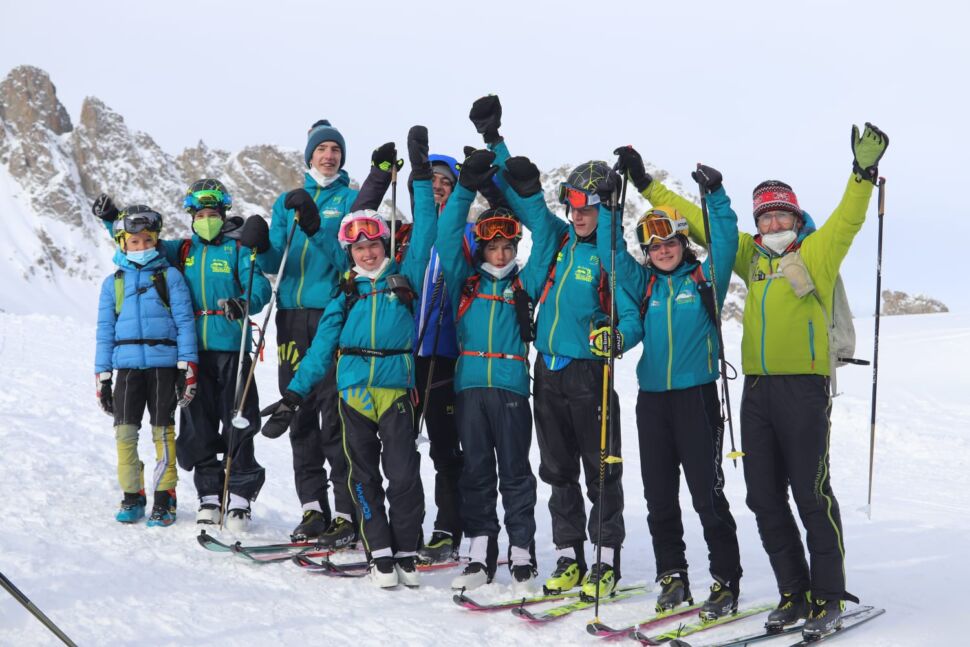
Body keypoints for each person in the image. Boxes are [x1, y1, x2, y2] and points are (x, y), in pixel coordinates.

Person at [635, 124, 889, 639]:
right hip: (757, 391)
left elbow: (848, 220)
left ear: (796, 218)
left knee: (811, 494)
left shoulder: (816, 253)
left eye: (782, 214)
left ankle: (828, 594)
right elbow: (705, 226)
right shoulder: (751, 259)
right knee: (763, 497)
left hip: (804, 388)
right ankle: (793, 591)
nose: (774, 222)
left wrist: (862, 175)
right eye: (766, 216)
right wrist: (647, 187)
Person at [468, 95, 640, 601]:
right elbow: (524, 198)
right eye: (576, 204)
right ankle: (568, 554)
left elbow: (632, 314)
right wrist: (494, 142)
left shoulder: (612, 255)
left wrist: (618, 338)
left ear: (605, 207)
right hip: (547, 372)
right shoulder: (559, 240)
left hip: (591, 376)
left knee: (601, 469)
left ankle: (605, 559)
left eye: (591, 205)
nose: (580, 214)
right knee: (557, 470)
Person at [261, 127, 437, 589]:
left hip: (396, 389)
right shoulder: (345, 291)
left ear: (385, 246)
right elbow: (321, 349)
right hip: (354, 392)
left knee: (403, 476)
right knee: (364, 475)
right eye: (358, 247)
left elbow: (429, 231)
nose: (367, 251)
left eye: (374, 244)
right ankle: (379, 550)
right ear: (351, 252)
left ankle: (406, 549)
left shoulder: (405, 279)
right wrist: (294, 395)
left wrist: (419, 173)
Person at [597, 151, 742, 619]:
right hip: (652, 402)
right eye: (653, 245)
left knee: (706, 495)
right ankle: (673, 577)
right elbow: (610, 253)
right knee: (659, 496)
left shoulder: (704, 280)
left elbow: (724, 238)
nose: (661, 249)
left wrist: (715, 197)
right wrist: (608, 209)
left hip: (697, 398)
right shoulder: (642, 286)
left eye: (669, 241)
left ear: (682, 242)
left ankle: (725, 581)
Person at [92, 182, 272, 532]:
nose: (207, 220)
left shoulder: (235, 249)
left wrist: (243, 301)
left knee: (239, 421)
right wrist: (111, 221)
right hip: (192, 355)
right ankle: (208, 494)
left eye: (213, 215)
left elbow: (261, 287)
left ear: (222, 216)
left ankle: (239, 496)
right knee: (197, 426)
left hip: (231, 348)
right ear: (192, 218)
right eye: (200, 215)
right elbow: (136, 247)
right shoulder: (183, 250)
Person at [435, 150, 559, 594]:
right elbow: (447, 234)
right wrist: (465, 185)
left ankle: (521, 551)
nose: (501, 253)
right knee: (476, 472)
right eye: (493, 246)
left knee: (515, 472)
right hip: (470, 389)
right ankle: (480, 549)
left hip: (510, 390)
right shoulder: (464, 281)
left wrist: (529, 193)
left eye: (508, 246)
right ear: (482, 246)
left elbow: (546, 235)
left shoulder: (524, 285)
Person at [260, 119, 360, 545]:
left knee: (334, 415)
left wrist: (317, 224)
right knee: (296, 413)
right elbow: (274, 261)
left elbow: (347, 263)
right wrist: (257, 242)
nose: (329, 155)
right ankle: (312, 508)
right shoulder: (285, 201)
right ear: (309, 156)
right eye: (322, 149)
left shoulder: (352, 200)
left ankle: (345, 511)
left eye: (335, 149)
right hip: (291, 316)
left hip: (332, 313)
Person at [93, 205, 197, 527]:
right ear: (123, 243)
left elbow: (184, 323)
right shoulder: (114, 284)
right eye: (134, 242)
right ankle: (132, 494)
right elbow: (104, 331)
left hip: (163, 367)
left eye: (147, 240)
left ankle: (165, 498)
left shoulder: (170, 276)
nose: (141, 247)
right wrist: (103, 376)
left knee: (162, 434)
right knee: (124, 434)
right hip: (126, 369)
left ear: (156, 241)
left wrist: (187, 368)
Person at [412, 152, 466, 564]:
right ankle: (405, 525)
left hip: (446, 357)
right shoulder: (405, 234)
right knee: (397, 448)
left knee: (445, 448)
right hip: (403, 357)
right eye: (431, 178)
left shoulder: (467, 233)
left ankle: (448, 527)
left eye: (446, 180)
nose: (438, 185)